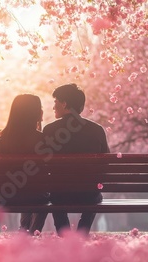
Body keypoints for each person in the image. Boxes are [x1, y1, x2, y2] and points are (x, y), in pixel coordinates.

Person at [32, 83, 110, 236]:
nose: (53, 107)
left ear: (64, 103)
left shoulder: (50, 130)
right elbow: (106, 162)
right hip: (88, 194)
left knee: (54, 193)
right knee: (95, 196)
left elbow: (42, 163)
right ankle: (82, 232)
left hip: (60, 193)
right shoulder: (97, 130)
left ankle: (64, 233)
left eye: (55, 102)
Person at [0, 94, 48, 233]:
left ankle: (24, 230)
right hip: (35, 197)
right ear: (35, 113)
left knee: (26, 186)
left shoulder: (0, 137)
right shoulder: (43, 139)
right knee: (36, 192)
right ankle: (32, 231)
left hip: (5, 195)